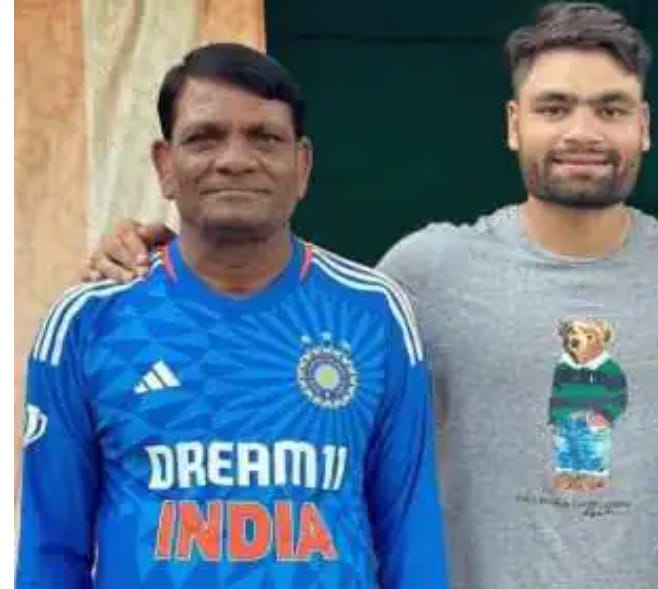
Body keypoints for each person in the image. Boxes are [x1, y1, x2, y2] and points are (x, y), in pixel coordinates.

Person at [79, 5, 658, 588]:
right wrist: (168, 252)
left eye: (609, 108)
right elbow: (296, 309)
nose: (583, 130)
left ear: (645, 127)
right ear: (513, 126)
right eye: (554, 107)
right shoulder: (426, 267)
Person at [17, 43, 448, 589]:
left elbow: (411, 539)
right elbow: (49, 552)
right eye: (205, 137)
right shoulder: (89, 320)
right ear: (164, 165)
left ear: (302, 165)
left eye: (264, 138)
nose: (235, 160)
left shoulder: (374, 313)